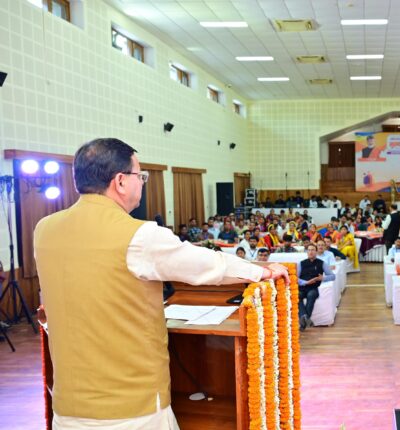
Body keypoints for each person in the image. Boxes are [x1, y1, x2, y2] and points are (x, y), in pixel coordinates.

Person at [34, 138, 287, 429]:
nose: (142, 183)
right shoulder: (139, 235)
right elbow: (206, 265)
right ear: (120, 181)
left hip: (68, 407)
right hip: (132, 409)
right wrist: (261, 271)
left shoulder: (44, 229)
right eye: (140, 176)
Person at [297, 244, 336, 331]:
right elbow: (296, 278)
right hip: (302, 287)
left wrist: (323, 278)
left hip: (313, 288)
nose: (310, 252)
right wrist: (305, 282)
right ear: (307, 252)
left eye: (313, 250)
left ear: (316, 252)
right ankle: (306, 318)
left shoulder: (322, 263)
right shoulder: (301, 263)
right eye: (309, 250)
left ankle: (303, 323)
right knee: (297, 296)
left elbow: (333, 276)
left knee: (311, 295)